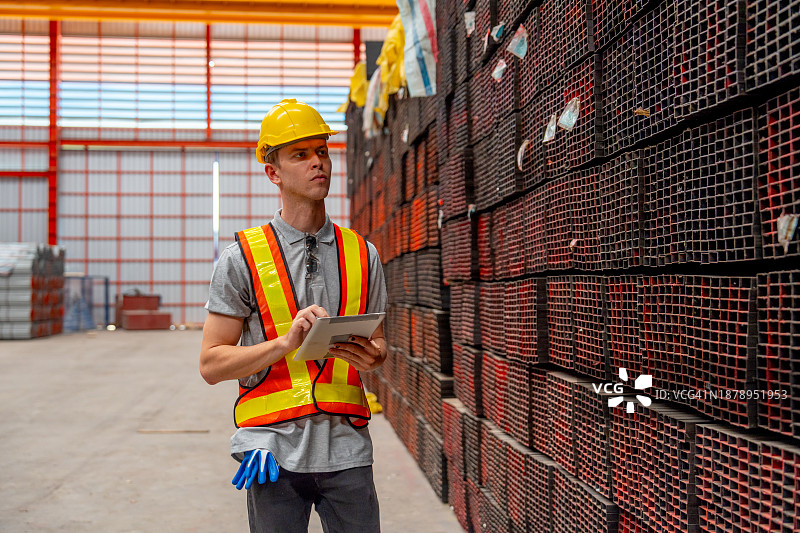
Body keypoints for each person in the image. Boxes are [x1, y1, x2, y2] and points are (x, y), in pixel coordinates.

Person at [199, 98, 387, 533]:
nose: (317, 162)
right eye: (300, 155)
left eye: (321, 150)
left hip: (348, 451)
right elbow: (210, 364)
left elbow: (378, 345)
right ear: (274, 172)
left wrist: (373, 358)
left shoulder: (363, 255)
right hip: (271, 454)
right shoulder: (242, 258)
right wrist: (285, 344)